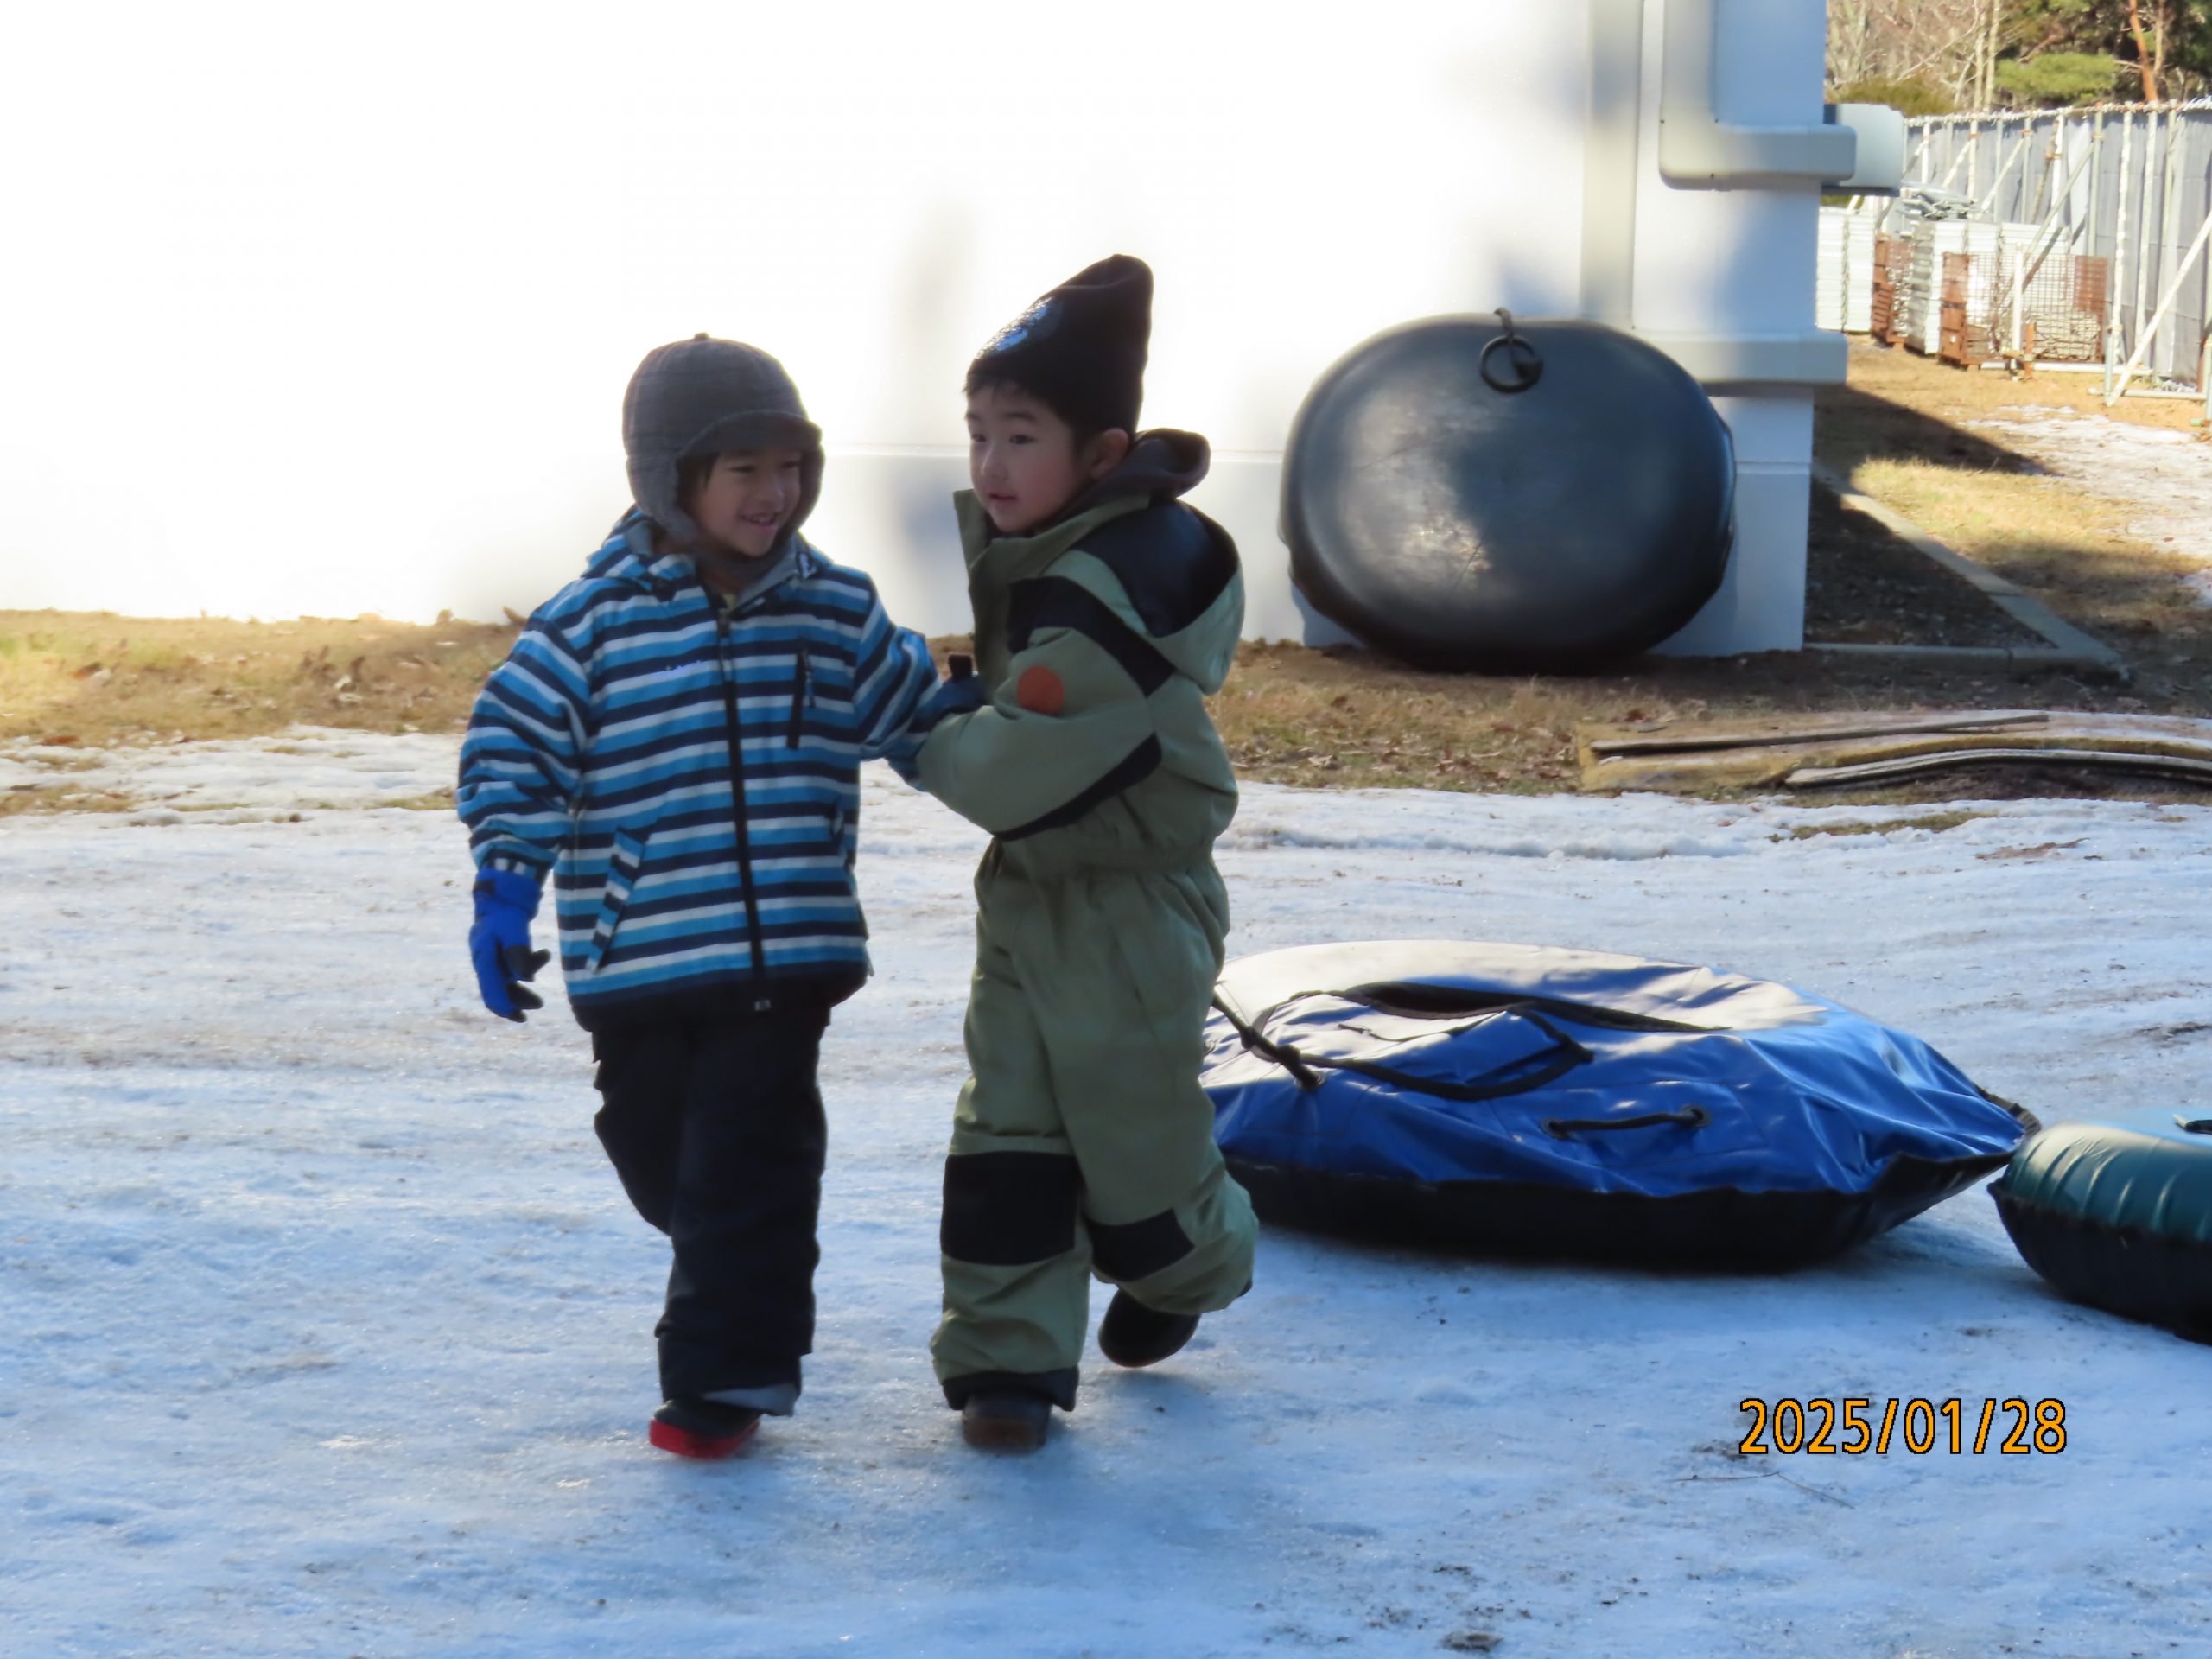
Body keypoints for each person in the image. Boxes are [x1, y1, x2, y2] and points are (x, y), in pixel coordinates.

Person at [456, 334, 979, 1459]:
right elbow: (515, 746)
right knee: (659, 1152)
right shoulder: (593, 620)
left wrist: (994, 734)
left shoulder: (833, 607)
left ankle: (725, 1375)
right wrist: (506, 880)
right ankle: (735, 1262)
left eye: (790, 466)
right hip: (641, 953)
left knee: (749, 1165)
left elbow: (913, 716)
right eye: (744, 469)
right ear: (671, 480)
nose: (773, 493)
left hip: (788, 945)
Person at [913, 255, 1258, 1452]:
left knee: (1132, 1141)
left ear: (1102, 455)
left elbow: (1017, 766)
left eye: (1021, 438)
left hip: (1131, 908)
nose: (991, 466)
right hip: (1033, 894)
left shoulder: (1106, 595)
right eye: (978, 435)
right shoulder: (1051, 557)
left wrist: (922, 729)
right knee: (1005, 1129)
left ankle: (1192, 1262)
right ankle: (1006, 1363)